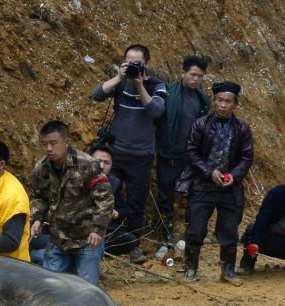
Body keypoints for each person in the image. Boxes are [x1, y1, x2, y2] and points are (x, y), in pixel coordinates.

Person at [177, 81, 254, 284]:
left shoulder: (242, 128)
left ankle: (228, 270)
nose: (222, 105)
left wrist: (234, 176)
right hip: (202, 186)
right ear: (214, 100)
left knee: (229, 230)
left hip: (230, 188)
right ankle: (191, 269)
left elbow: (246, 158)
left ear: (235, 104)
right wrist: (209, 172)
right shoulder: (200, 124)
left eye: (228, 101)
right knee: (195, 229)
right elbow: (191, 152)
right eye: (219, 100)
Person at [91, 44, 167, 249]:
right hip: (115, 153)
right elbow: (97, 95)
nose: (133, 66)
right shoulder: (120, 83)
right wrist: (119, 78)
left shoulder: (156, 85)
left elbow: (156, 111)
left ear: (146, 64)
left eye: (137, 63)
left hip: (141, 155)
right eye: (129, 62)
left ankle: (133, 245)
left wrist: (140, 85)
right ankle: (104, 240)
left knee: (136, 202)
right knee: (106, 196)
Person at [30, 121, 114, 286]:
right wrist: (37, 218)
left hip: (86, 239)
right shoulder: (41, 168)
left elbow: (105, 198)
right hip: (57, 239)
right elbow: (38, 196)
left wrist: (98, 229)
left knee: (87, 290)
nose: (48, 149)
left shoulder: (87, 165)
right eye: (44, 144)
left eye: (53, 143)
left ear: (66, 142)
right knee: (51, 287)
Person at [155, 55, 211, 243]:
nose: (196, 79)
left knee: (194, 194)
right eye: (192, 74)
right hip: (168, 153)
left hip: (191, 156)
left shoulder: (203, 100)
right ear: (182, 73)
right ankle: (165, 234)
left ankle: (192, 232)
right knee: (165, 194)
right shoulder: (168, 94)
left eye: (200, 76)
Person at [91, 145, 143, 258]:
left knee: (130, 240)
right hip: (79, 229)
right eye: (98, 161)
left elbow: (124, 209)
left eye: (106, 163)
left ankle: (101, 254)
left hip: (105, 231)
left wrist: (116, 213)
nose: (102, 166)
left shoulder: (114, 183)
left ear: (111, 165)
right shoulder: (77, 177)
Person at [238, 184, 285, 274]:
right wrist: (254, 242)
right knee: (251, 230)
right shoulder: (276, 194)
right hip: (272, 238)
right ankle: (247, 264)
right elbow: (262, 219)